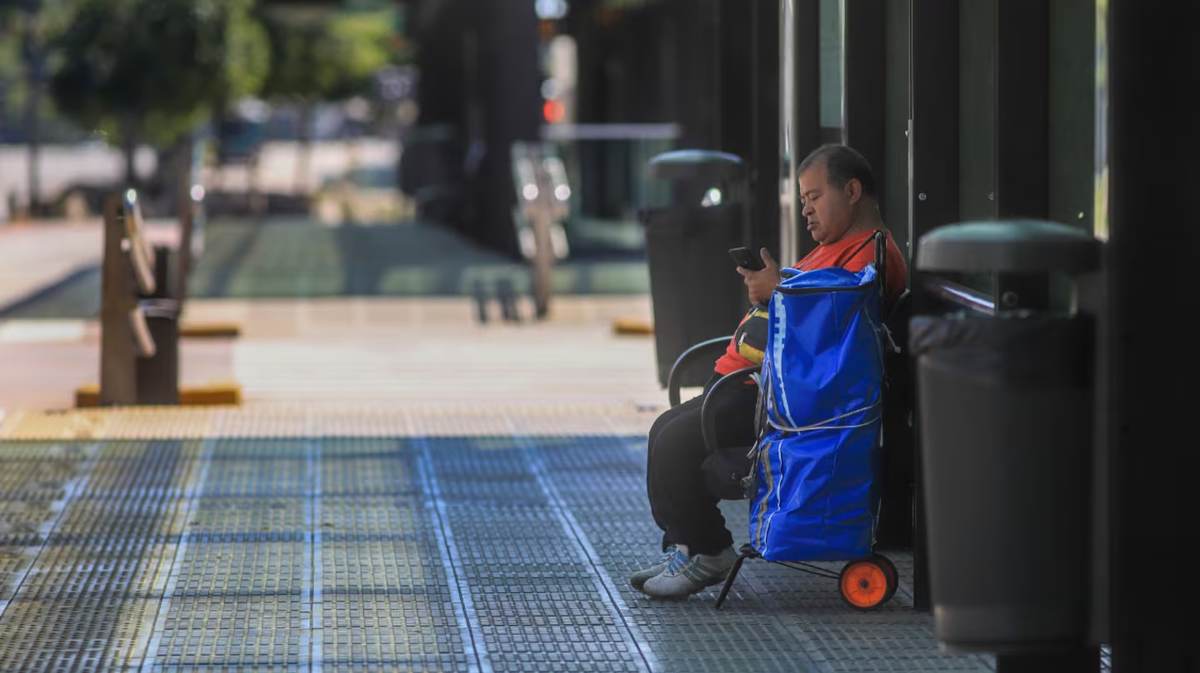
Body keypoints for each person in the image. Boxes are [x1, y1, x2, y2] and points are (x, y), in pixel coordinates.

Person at [634, 143, 908, 599]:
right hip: (748, 385)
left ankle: (708, 550)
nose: (806, 210)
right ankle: (687, 544)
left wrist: (779, 287)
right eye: (802, 200)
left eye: (815, 197)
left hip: (777, 399)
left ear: (853, 190)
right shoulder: (832, 249)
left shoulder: (871, 254)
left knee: (674, 441)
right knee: (665, 429)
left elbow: (836, 313)